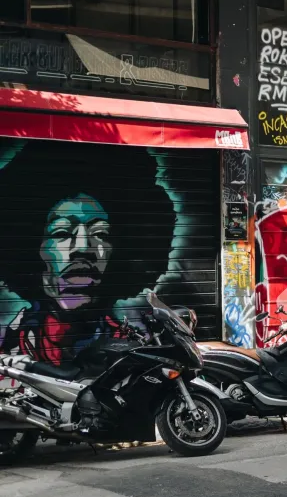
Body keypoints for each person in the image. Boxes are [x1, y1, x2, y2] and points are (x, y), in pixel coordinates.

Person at [0, 141, 176, 366]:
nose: (83, 248)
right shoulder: (12, 348)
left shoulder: (131, 348)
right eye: (61, 232)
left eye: (101, 233)